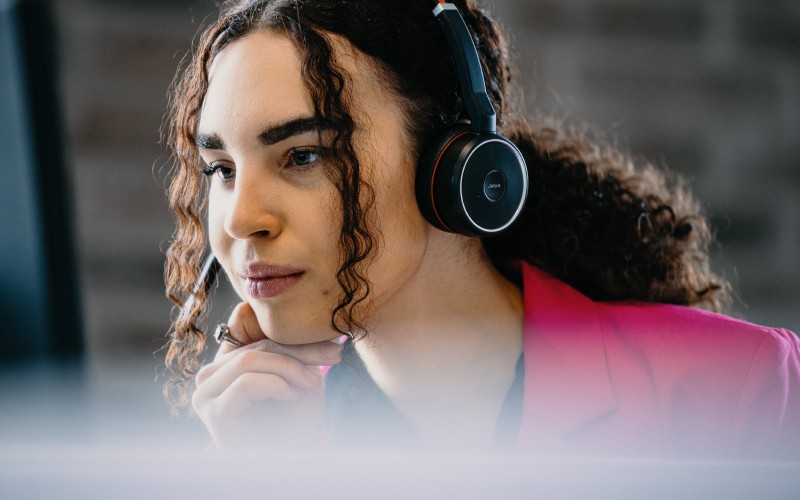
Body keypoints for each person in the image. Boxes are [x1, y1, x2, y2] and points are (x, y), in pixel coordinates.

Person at [162, 0, 800, 458]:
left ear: (456, 168)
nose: (241, 218)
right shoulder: (267, 437)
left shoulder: (738, 385)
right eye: (219, 169)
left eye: (304, 155)